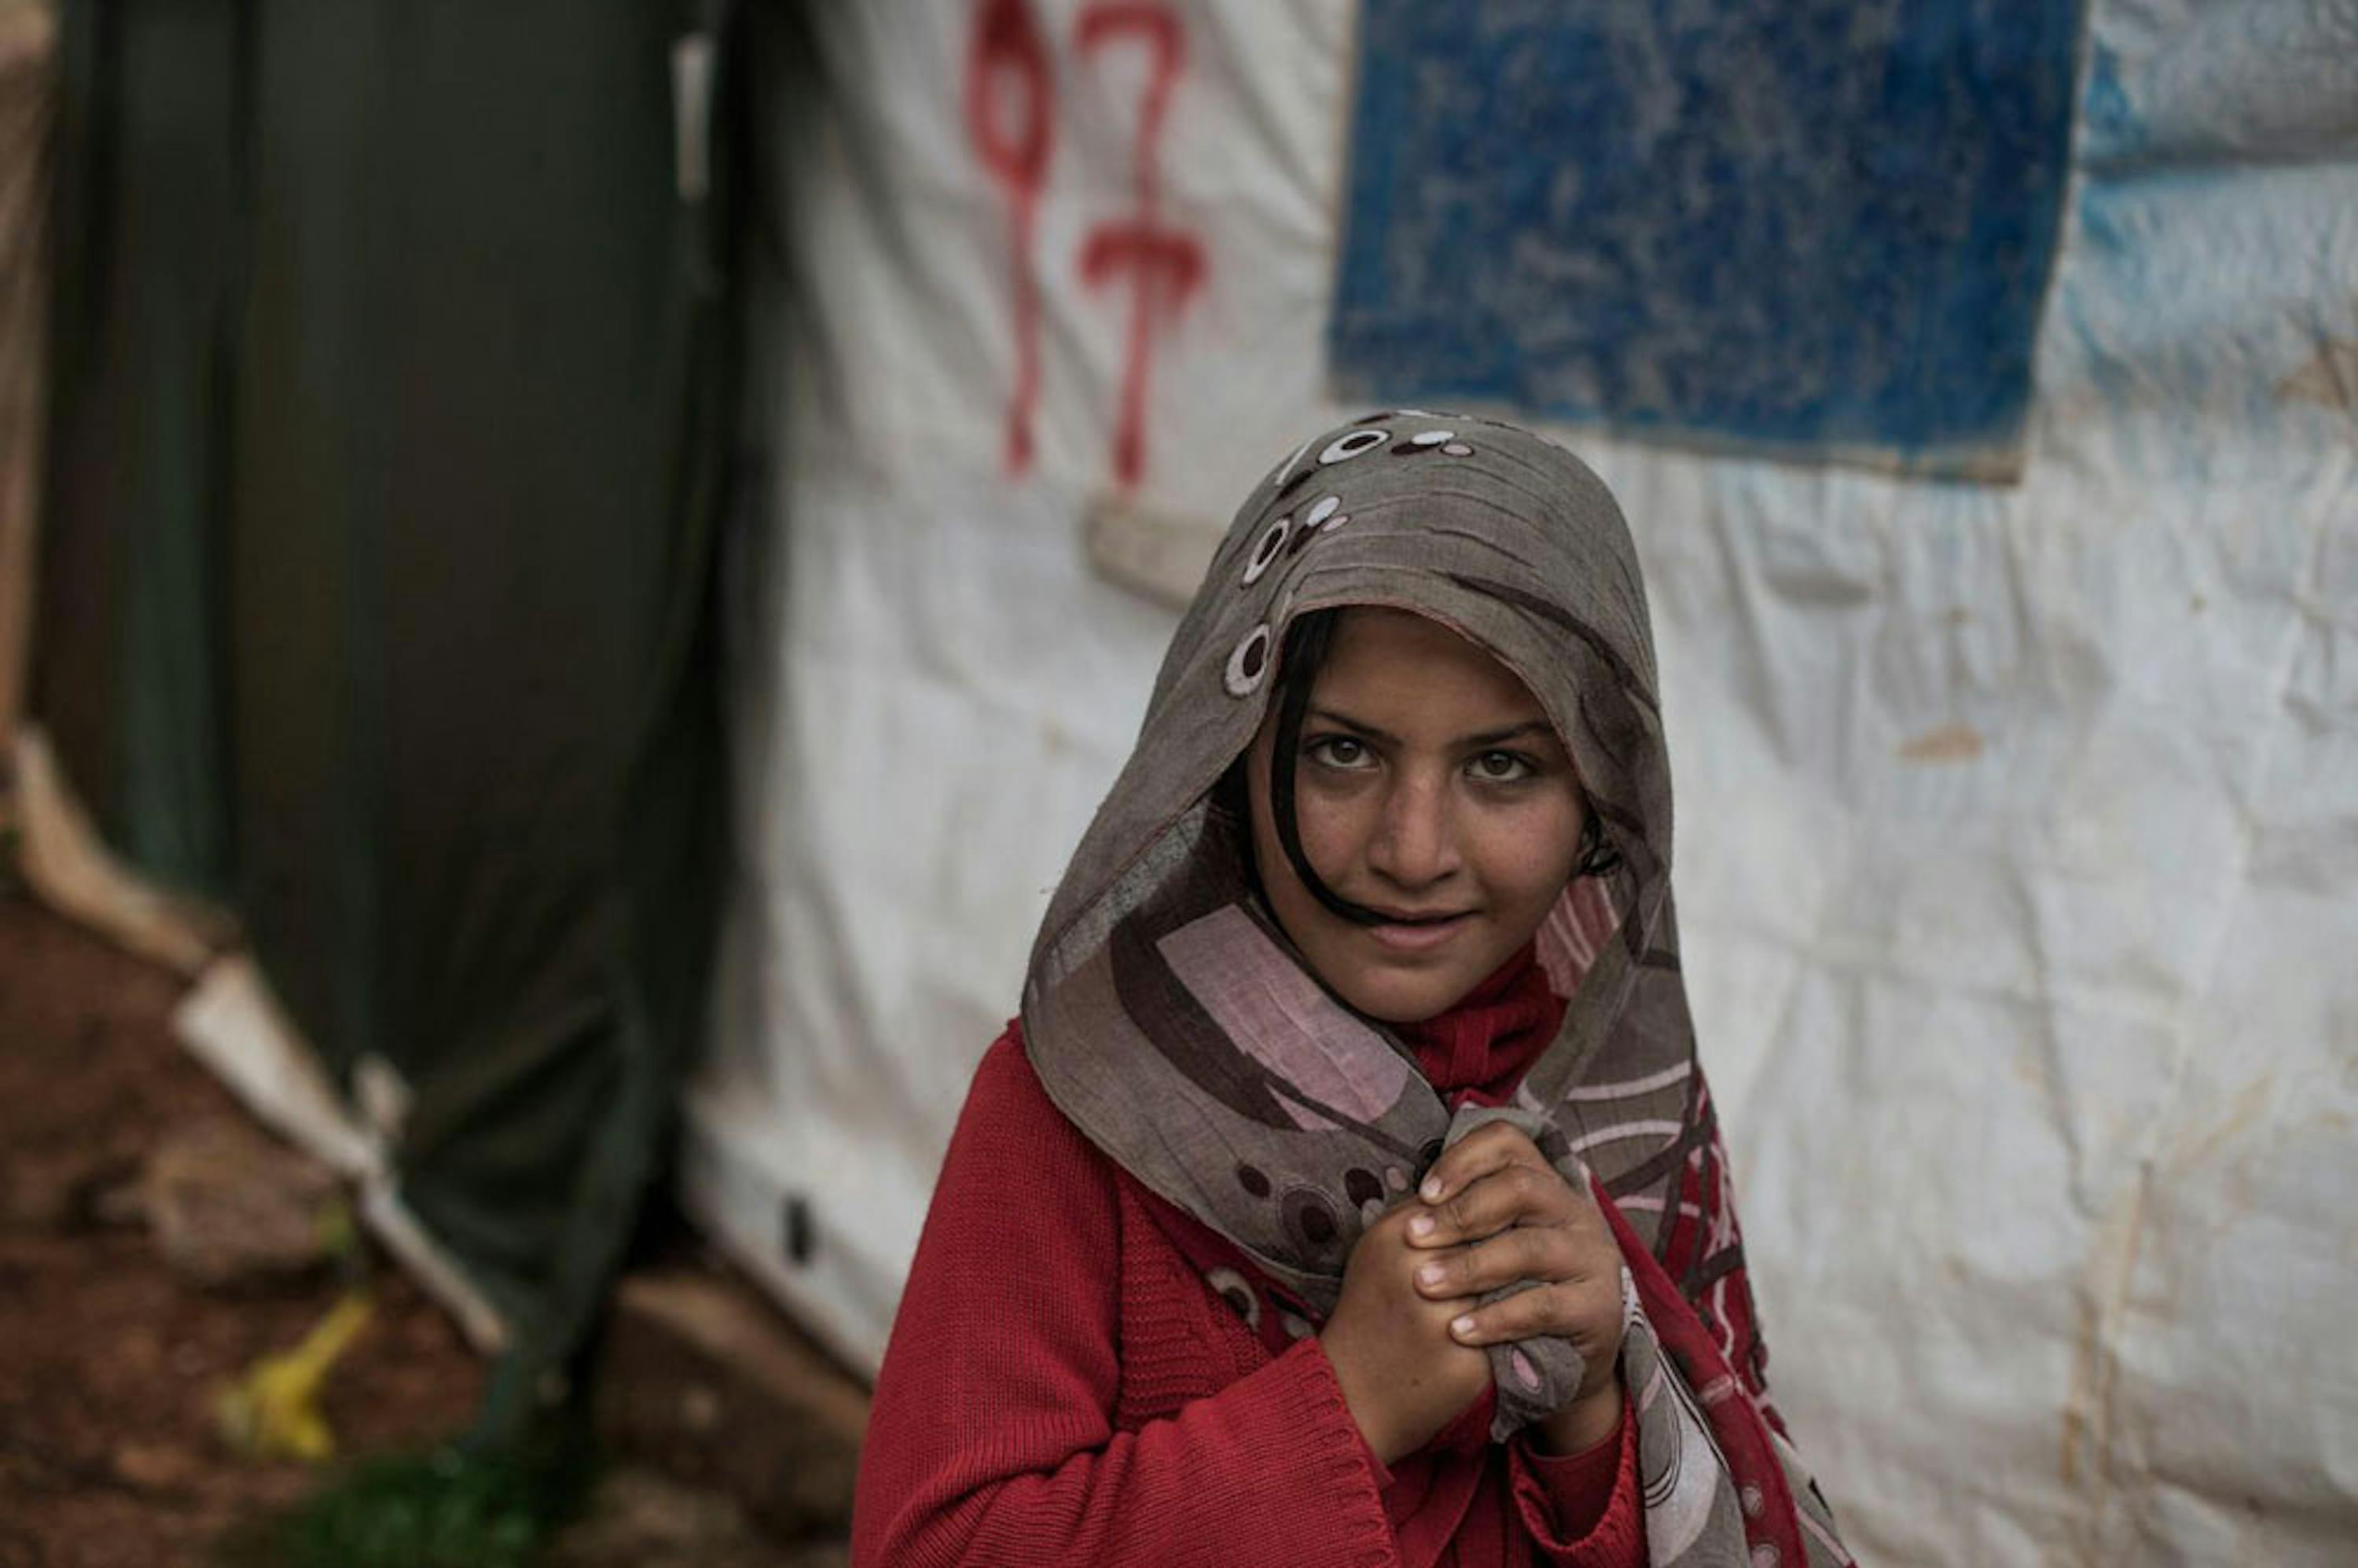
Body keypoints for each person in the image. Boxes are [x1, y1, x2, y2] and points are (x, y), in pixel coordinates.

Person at [850, 414, 1853, 1567]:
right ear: (1230, 753)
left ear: (1604, 809)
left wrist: (1594, 1415)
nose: (1414, 849)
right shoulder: (1080, 1104)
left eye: (1503, 766)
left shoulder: (1622, 1121)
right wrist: (1353, 1400)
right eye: (1343, 751)